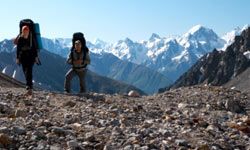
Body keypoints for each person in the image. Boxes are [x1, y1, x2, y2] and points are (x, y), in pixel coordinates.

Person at [16, 25, 39, 95]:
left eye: (27, 31)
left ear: (29, 31)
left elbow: (35, 49)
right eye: (24, 31)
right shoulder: (20, 39)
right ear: (22, 31)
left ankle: (29, 86)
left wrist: (36, 57)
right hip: (23, 57)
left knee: (29, 70)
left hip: (30, 57)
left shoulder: (31, 38)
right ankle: (28, 85)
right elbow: (18, 49)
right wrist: (17, 58)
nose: (26, 32)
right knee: (25, 71)